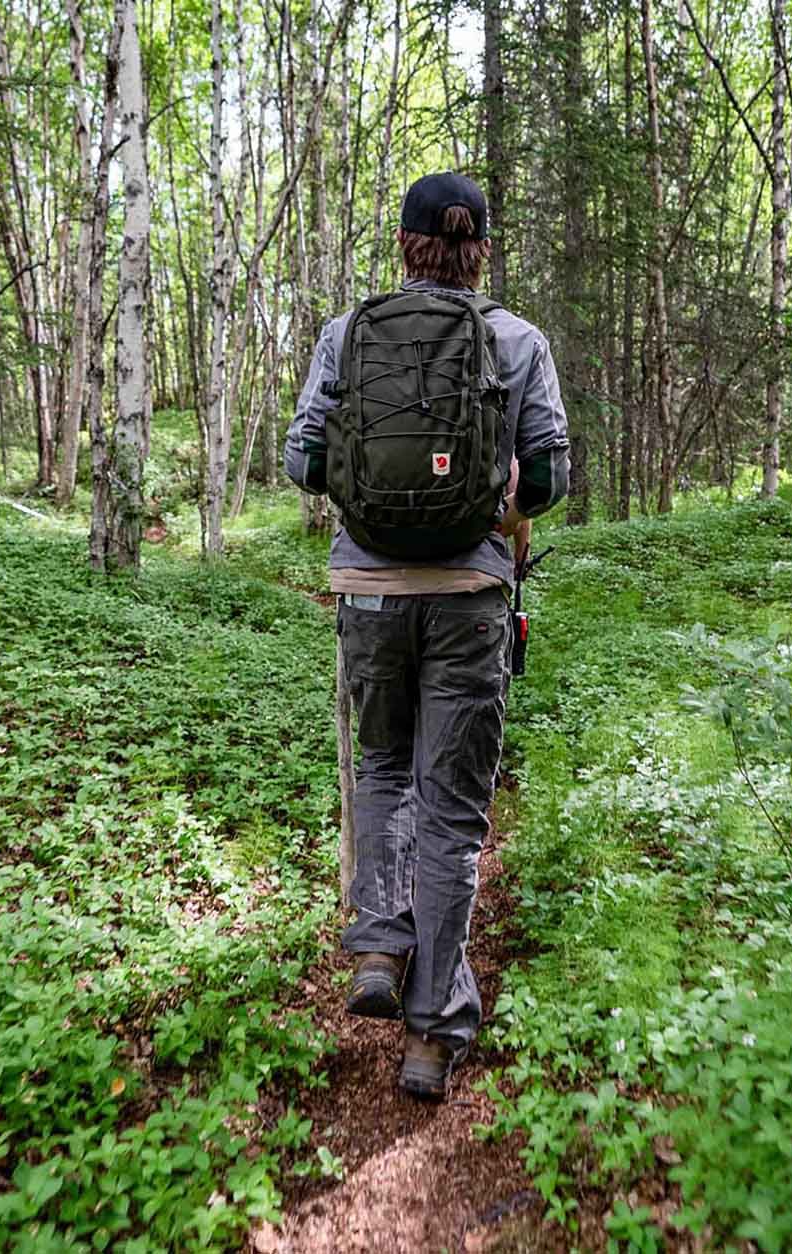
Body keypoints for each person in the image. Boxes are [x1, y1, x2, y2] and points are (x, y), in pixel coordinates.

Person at [282, 171, 570, 1101]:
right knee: (452, 814)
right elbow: (550, 483)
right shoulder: (518, 341)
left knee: (382, 769)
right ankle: (434, 1035)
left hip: (366, 592)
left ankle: (376, 945)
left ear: (405, 244)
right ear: (478, 245)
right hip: (470, 591)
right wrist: (495, 496)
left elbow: (303, 462)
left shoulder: (348, 334)